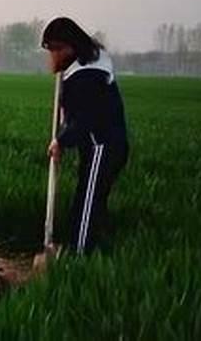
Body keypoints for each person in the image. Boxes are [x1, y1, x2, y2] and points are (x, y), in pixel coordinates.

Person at [42, 17, 129, 254]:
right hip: (98, 147)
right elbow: (73, 116)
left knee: (86, 208)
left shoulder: (86, 77)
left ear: (67, 48)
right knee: (90, 201)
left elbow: (85, 118)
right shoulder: (83, 67)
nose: (52, 57)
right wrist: (63, 134)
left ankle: (78, 257)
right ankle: (96, 249)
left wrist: (61, 140)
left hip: (103, 147)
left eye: (54, 50)